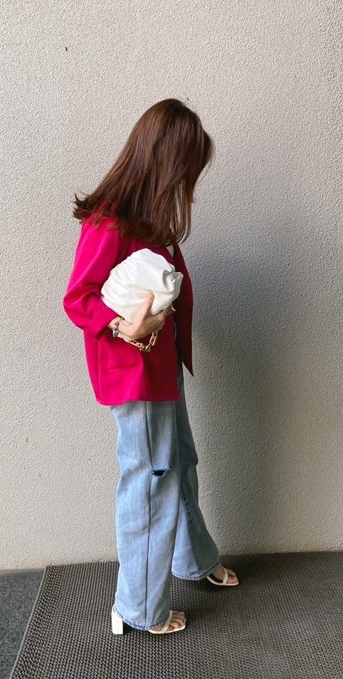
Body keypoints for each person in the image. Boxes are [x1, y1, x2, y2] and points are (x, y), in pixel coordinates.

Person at [62, 99, 239, 636]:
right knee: (149, 480)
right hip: (134, 378)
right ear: (163, 164)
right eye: (185, 172)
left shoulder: (147, 221)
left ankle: (192, 559)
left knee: (178, 462)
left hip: (160, 370)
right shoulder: (110, 222)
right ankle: (138, 608)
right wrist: (122, 326)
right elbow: (78, 299)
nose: (188, 185)